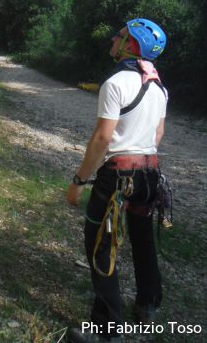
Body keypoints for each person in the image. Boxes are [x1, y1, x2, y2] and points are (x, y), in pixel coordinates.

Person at [66, 18, 168, 343]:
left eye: (121, 36)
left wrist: (79, 180)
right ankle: (147, 305)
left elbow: (102, 139)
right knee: (142, 239)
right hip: (149, 175)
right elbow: (158, 134)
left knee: (100, 245)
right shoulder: (159, 87)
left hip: (118, 175)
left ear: (132, 45)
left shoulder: (115, 83)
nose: (113, 38)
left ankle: (107, 331)